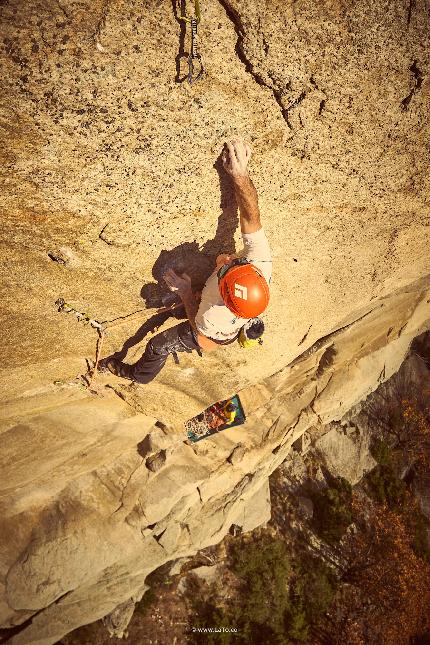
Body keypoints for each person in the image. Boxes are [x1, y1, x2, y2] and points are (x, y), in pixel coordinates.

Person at [101, 137, 272, 383]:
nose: (225, 261)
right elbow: (251, 215)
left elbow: (196, 322)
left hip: (211, 334)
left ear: (223, 294)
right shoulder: (260, 265)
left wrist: (184, 291)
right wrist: (240, 175)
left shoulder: (211, 318)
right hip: (228, 318)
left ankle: (137, 375)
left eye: (224, 271)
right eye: (234, 264)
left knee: (157, 346)